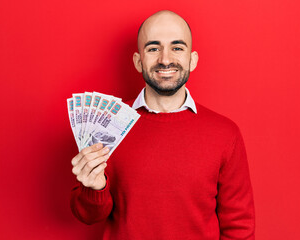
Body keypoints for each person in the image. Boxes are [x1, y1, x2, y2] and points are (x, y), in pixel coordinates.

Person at [70, 10, 255, 240]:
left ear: (192, 59)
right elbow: (87, 216)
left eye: (177, 47)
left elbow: (240, 227)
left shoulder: (226, 134)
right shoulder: (108, 124)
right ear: (138, 61)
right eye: (153, 48)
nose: (165, 59)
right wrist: (95, 190)